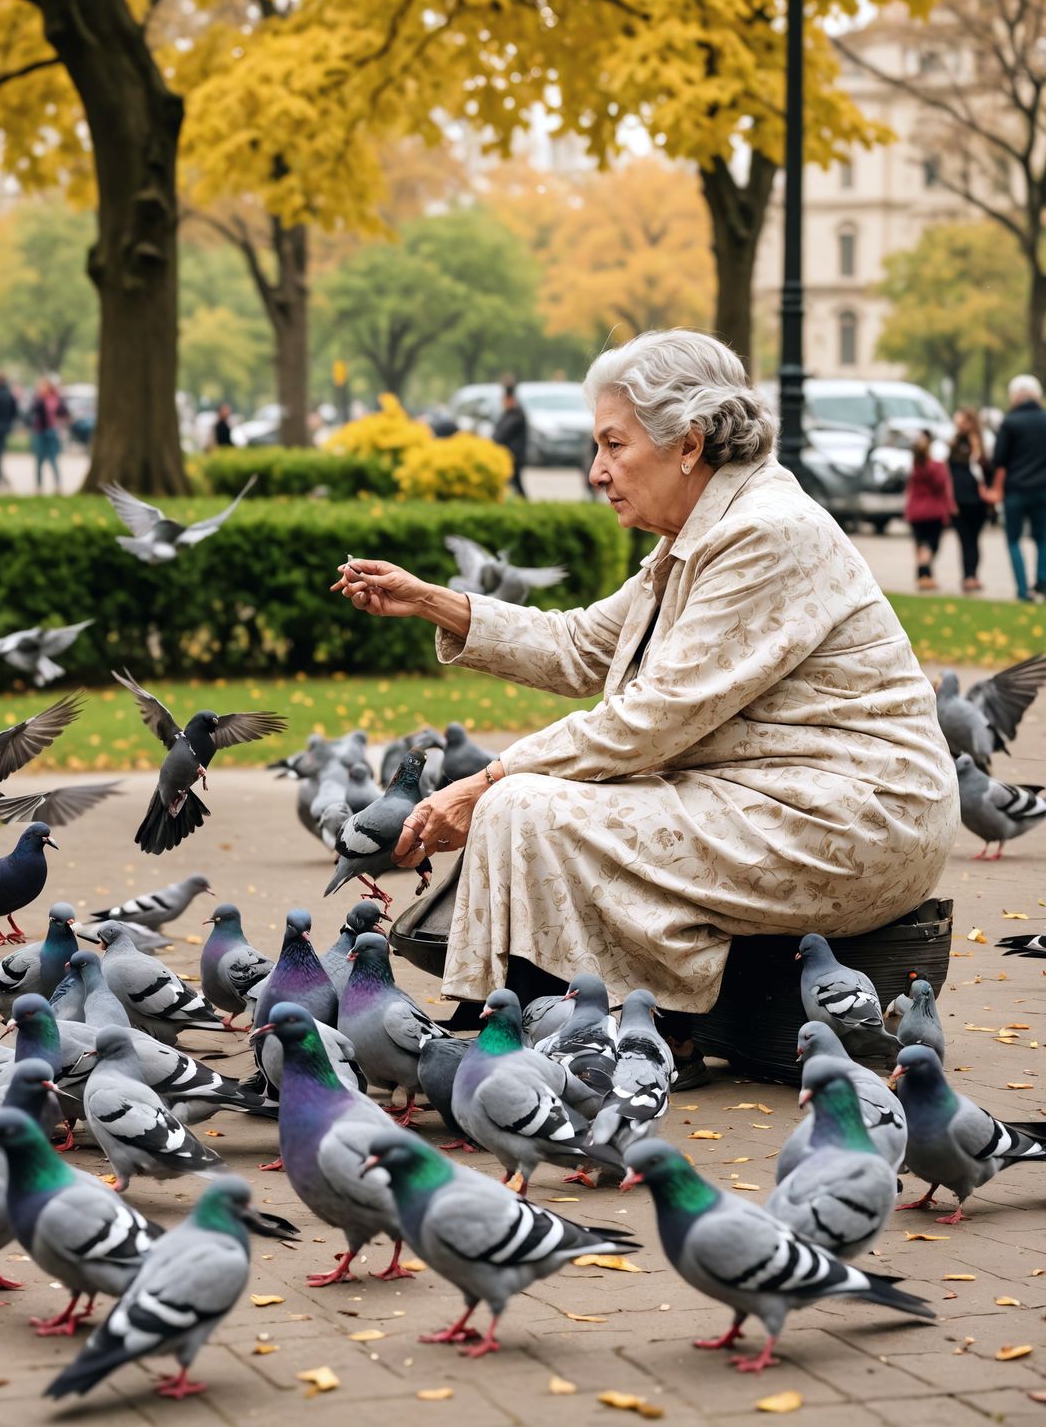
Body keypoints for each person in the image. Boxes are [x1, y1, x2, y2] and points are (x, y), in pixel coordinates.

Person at [332, 329, 955, 1073]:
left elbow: (652, 720)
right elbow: (579, 648)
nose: (597, 471)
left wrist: (483, 781)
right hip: (780, 797)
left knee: (527, 804)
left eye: (613, 445)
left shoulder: (764, 533)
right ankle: (579, 1030)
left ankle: (602, 1040)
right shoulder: (702, 534)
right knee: (530, 801)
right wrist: (435, 602)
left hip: (857, 816)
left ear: (687, 443)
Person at [984, 374, 1046, 601]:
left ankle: (1022, 590)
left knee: (1013, 540)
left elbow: (999, 461)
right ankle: (1042, 580)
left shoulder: (1010, 423)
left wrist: (995, 489)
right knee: (1043, 538)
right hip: (1043, 490)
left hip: (1015, 490)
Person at [903, 430, 955, 593]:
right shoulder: (938, 467)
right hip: (933, 511)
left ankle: (925, 577)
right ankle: (924, 573)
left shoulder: (914, 467)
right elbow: (943, 488)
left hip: (915, 511)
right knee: (931, 545)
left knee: (920, 544)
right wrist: (950, 507)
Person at [948, 408, 991, 594]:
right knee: (965, 540)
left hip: (978, 501)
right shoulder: (954, 444)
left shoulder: (982, 444)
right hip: (959, 500)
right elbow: (948, 472)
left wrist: (977, 450)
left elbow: (986, 470)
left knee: (974, 539)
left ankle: (972, 574)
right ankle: (968, 576)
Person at [29, 375, 64, 494]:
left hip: (52, 431)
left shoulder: (56, 398)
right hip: (40, 431)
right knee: (39, 460)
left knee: (53, 459)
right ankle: (39, 486)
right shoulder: (38, 399)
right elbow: (32, 412)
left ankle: (57, 484)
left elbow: (63, 412)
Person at [491, 383, 528, 497]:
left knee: (515, 484)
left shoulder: (517, 415)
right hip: (508, 455)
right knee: (515, 485)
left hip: (513, 456)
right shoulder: (508, 414)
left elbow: (502, 434)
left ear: (510, 399)